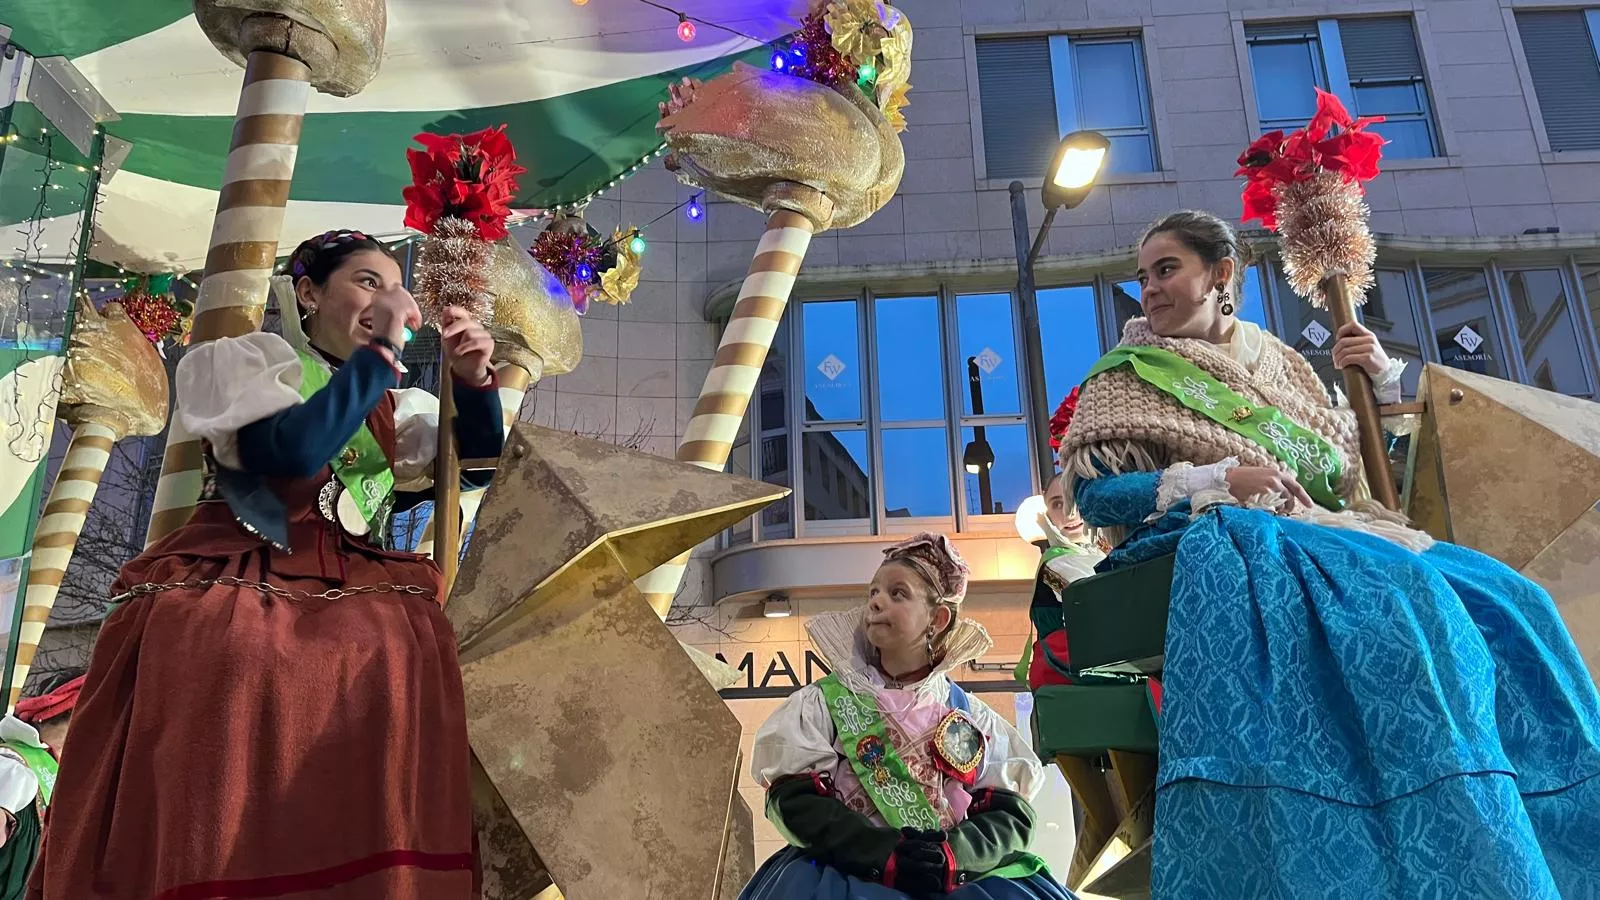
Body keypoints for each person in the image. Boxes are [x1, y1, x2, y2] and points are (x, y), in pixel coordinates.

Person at [1060, 210, 1600, 899]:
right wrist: (1220, 477)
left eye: (1166, 269)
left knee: (1513, 599)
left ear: (1221, 275)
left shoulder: (1283, 363)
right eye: (1143, 277)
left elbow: (1354, 480)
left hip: (1334, 526)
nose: (1150, 289)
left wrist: (1378, 386)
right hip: (1228, 532)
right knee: (1403, 596)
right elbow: (1101, 497)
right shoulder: (1128, 373)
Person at [31, 230, 505, 900]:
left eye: (392, 285)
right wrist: (380, 357)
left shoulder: (399, 408)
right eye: (366, 281)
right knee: (243, 648)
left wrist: (473, 381)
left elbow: (475, 469)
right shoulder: (247, 362)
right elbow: (291, 456)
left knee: (412, 644)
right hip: (237, 567)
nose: (385, 297)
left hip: (351, 575)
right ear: (307, 293)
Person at [742, 532, 1077, 900]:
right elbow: (795, 803)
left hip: (952, 878)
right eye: (873, 592)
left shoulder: (969, 715)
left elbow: (1009, 817)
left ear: (938, 618)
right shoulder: (824, 704)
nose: (876, 602)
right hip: (849, 873)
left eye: (897, 593)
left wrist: (954, 856)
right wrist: (882, 853)